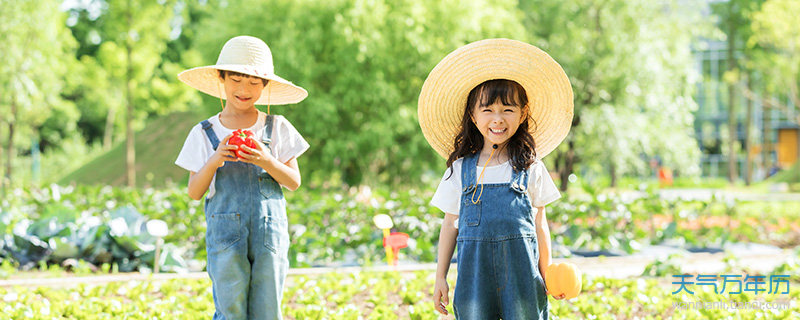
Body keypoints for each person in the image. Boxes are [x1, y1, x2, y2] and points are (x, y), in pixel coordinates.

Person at [418, 39, 574, 319]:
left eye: (508, 110)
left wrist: (547, 271)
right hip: (473, 281)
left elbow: (540, 224)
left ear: (523, 113)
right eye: (488, 110)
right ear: (473, 115)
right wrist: (440, 276)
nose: (498, 119)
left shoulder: (531, 167)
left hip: (523, 278)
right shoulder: (460, 169)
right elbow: (450, 223)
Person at [174, 35, 309, 320]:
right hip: (225, 235)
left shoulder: (277, 127)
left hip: (269, 234)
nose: (244, 89)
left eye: (254, 82)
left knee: (268, 308)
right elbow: (194, 192)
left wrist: (265, 159)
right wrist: (216, 159)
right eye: (235, 80)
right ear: (221, 79)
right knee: (230, 307)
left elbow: (294, 181)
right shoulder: (204, 132)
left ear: (265, 86)